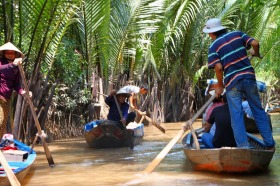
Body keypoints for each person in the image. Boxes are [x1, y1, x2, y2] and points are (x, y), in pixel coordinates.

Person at [203, 18, 275, 150]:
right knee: (258, 111)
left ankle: (243, 146)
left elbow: (218, 68)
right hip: (249, 78)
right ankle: (269, 144)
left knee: (236, 115)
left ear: (212, 33)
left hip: (232, 82)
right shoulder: (237, 34)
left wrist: (220, 85)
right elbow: (255, 43)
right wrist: (256, 53)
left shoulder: (213, 47)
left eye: (209, 34)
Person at [0, 42, 32, 138]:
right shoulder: (1, 62)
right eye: (7, 52)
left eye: (12, 53)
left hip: (6, 99)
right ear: (4, 53)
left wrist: (23, 92)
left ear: (15, 54)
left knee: (2, 125)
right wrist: (12, 65)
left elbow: (16, 85)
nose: (9, 54)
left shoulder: (17, 68)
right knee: (0, 121)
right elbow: (1, 69)